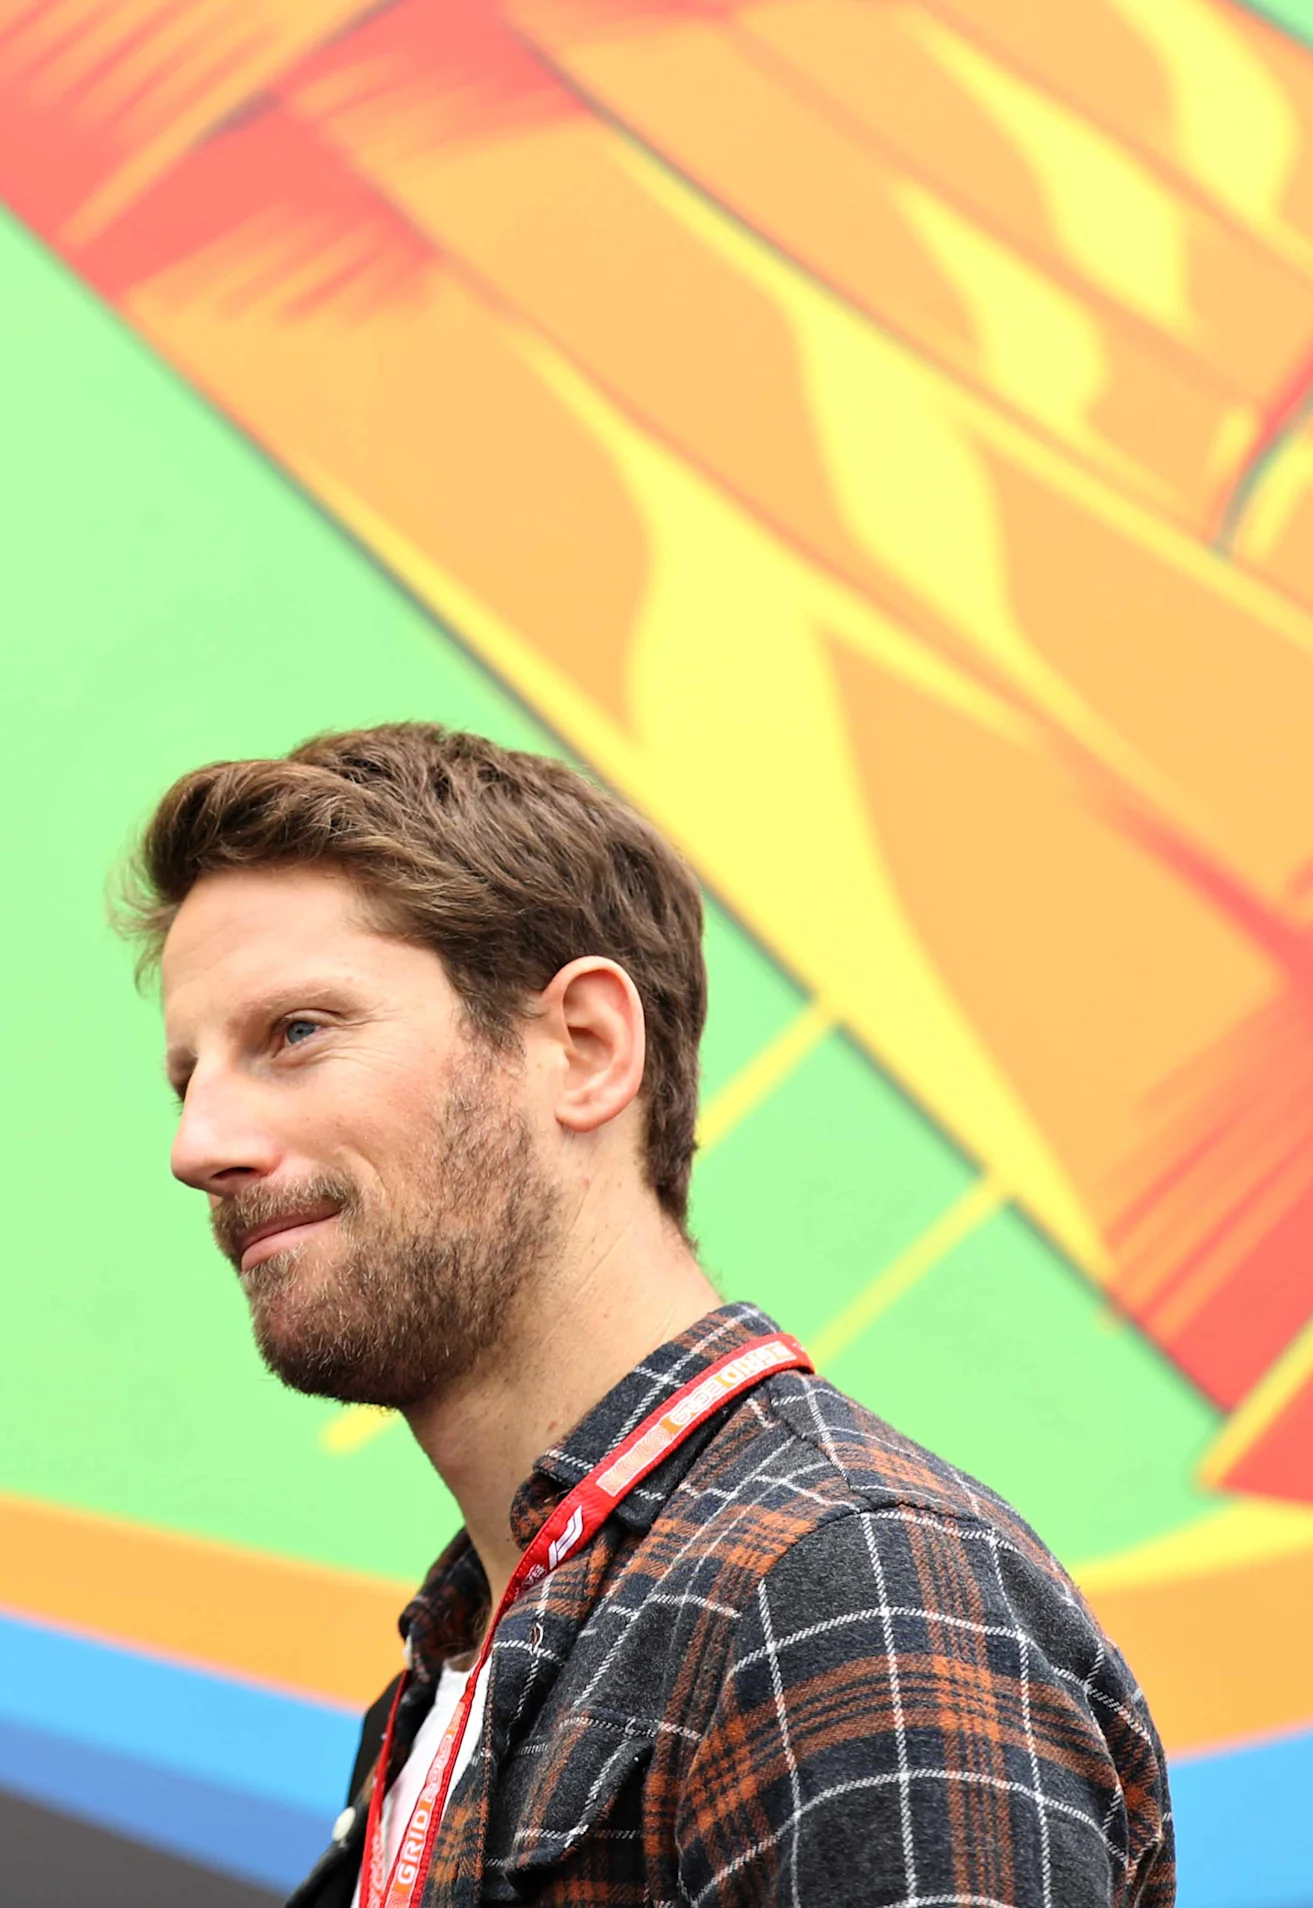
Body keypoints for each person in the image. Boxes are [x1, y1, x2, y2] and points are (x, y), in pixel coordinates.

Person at [127, 723, 1173, 1908]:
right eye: (187, 1078)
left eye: (295, 1034)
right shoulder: (464, 1662)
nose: (197, 1147)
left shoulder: (852, 1586)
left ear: (583, 1048)